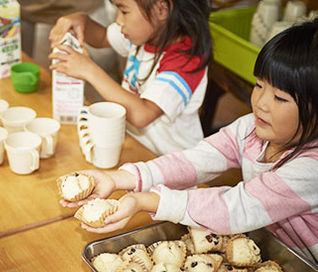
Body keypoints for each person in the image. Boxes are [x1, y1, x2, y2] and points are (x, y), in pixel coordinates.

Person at [60, 19, 318, 266]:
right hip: (269, 248)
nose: (261, 103)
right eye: (259, 85)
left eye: (280, 98)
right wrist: (117, 179)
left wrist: (144, 201)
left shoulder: (310, 169)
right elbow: (194, 160)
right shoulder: (250, 127)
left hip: (306, 267)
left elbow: (233, 207)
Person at [48, 0, 212, 155]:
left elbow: (142, 114)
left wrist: (89, 70)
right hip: (135, 148)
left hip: (171, 166)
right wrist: (82, 21)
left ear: (161, 9)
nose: (119, 21)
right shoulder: (146, 32)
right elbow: (103, 37)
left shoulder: (186, 59)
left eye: (124, 11)